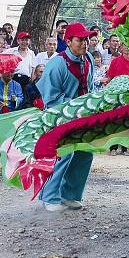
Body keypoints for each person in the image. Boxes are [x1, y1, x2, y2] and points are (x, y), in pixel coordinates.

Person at [36, 22, 95, 211]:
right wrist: (73, 106)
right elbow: (49, 97)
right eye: (80, 40)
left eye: (86, 39)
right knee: (63, 154)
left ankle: (71, 195)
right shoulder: (57, 63)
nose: (84, 43)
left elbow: (90, 87)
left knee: (85, 153)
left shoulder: (89, 60)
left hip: (84, 116)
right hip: (59, 116)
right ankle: (50, 196)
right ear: (68, 41)